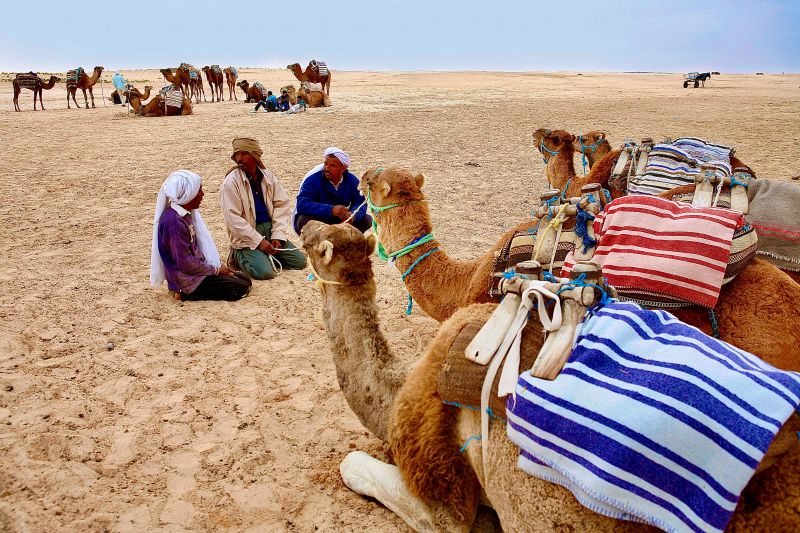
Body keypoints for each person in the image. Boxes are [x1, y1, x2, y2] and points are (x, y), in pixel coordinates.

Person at [150, 170, 251, 301]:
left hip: (197, 271)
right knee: (239, 287)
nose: (202, 194)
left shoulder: (185, 214)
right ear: (189, 194)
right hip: (187, 280)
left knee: (244, 279)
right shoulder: (174, 223)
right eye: (199, 191)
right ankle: (185, 294)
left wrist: (215, 268)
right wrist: (216, 270)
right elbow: (185, 263)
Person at [221, 137, 307, 280]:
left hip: (269, 228)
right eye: (237, 154)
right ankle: (237, 255)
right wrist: (259, 241)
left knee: (300, 262)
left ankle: (264, 253)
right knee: (265, 273)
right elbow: (233, 219)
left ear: (255, 156)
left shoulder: (268, 177)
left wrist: (277, 235)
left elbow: (281, 205)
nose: (239, 158)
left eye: (244, 154)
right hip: (247, 234)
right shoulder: (230, 182)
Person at [292, 147, 372, 234]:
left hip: (340, 222)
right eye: (326, 164)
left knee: (366, 220)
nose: (327, 168)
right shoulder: (313, 180)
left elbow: (360, 202)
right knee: (304, 220)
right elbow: (302, 204)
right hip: (318, 221)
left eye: (332, 165)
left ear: (343, 168)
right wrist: (331, 210)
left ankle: (344, 242)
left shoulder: (351, 181)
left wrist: (352, 216)